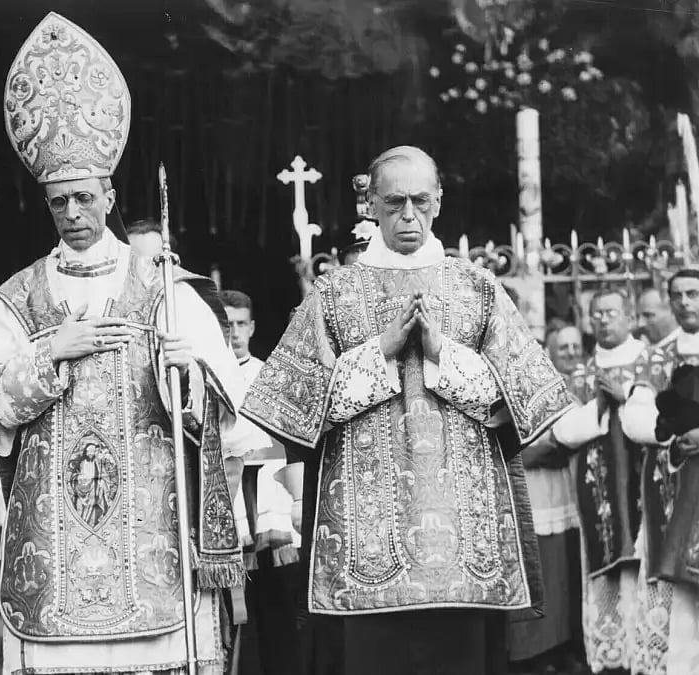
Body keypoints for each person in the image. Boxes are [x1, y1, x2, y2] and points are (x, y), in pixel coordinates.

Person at [0, 13, 244, 674]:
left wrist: (189, 373)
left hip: (151, 529)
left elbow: (226, 406)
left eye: (84, 198)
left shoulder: (166, 286)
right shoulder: (19, 297)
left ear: (110, 194)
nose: (72, 213)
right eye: (58, 203)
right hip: (53, 541)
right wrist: (48, 352)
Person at [241, 146, 574, 675]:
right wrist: (382, 352)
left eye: (421, 200)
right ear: (370, 204)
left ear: (439, 201)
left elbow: (522, 402)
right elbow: (297, 409)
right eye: (394, 202)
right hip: (366, 538)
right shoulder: (332, 294)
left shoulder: (479, 288)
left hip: (467, 542)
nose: (409, 215)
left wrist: (442, 351)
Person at [547, 291, 645, 674]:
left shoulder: (651, 360)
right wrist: (600, 408)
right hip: (598, 490)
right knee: (607, 575)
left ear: (629, 316)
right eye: (597, 314)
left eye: (611, 312)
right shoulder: (582, 374)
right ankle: (613, 658)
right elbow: (563, 431)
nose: (604, 320)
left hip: (644, 485)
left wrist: (628, 399)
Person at [220, 289, 306, 675]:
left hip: (268, 506)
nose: (234, 333)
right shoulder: (205, 375)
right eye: (227, 324)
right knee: (232, 621)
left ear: (252, 327)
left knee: (277, 612)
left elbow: (289, 443)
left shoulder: (268, 377)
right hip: (224, 501)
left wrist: (297, 501)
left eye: (241, 324)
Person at [620, 268, 699, 674]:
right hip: (673, 483)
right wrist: (668, 434)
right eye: (678, 296)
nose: (686, 302)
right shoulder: (659, 355)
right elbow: (634, 414)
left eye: (693, 293)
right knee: (681, 596)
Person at [505, 324, 585, 673]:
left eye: (575, 346)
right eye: (560, 347)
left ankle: (562, 646)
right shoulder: (518, 388)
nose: (570, 353)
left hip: (567, 497)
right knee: (542, 577)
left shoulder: (579, 389)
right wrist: (546, 450)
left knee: (565, 577)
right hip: (533, 500)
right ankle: (535, 654)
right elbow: (513, 447)